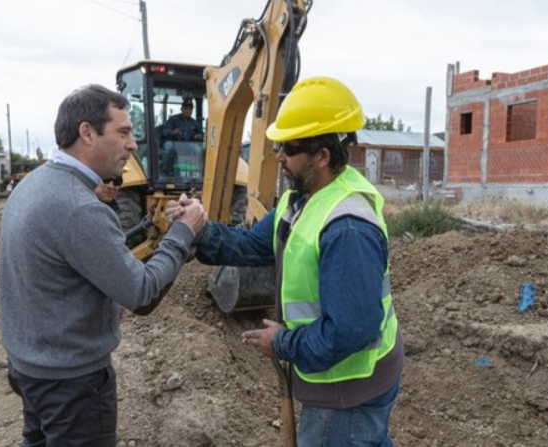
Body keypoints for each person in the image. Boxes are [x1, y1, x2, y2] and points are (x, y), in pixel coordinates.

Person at [167, 76, 404, 447]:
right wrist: (199, 230)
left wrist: (283, 343)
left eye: (288, 148)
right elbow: (249, 246)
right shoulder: (300, 200)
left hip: (348, 391)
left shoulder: (347, 228)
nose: (277, 156)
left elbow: (352, 331)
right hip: (334, 380)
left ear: (322, 156)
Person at [0, 84, 206, 447]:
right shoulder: (79, 208)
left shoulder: (34, 186)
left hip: (31, 368)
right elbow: (142, 296)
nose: (133, 144)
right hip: (71, 384)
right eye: (123, 132)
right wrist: (183, 233)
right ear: (87, 133)